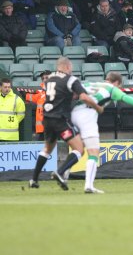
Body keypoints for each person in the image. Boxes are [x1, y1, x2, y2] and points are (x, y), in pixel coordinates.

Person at [71, 71, 133, 193]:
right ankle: (89, 185)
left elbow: (74, 90)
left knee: (79, 146)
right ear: (117, 83)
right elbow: (126, 98)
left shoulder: (92, 83)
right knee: (94, 151)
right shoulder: (112, 88)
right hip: (86, 116)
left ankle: (63, 172)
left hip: (72, 113)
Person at [29, 57, 104, 190]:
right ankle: (60, 171)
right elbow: (84, 97)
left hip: (46, 119)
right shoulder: (71, 79)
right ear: (68, 67)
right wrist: (98, 108)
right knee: (79, 148)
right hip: (60, 120)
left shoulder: (50, 78)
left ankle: (34, 179)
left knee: (47, 149)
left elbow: (60, 93)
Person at [25, 70, 51, 140]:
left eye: (47, 78)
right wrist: (23, 94)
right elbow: (30, 97)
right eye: (43, 78)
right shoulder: (41, 93)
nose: (44, 80)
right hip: (42, 130)